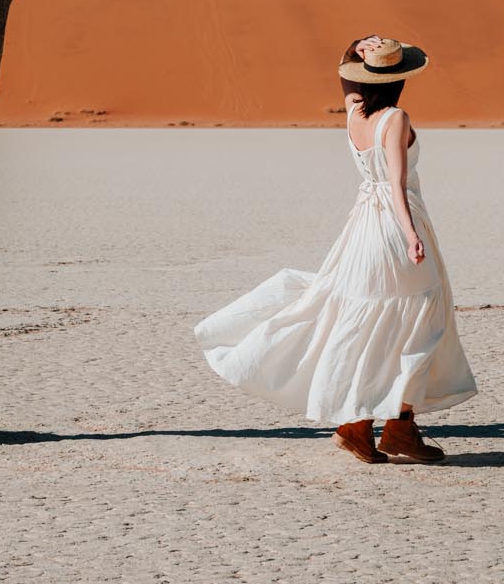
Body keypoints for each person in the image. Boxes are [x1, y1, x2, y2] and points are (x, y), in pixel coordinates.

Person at [193, 33, 477, 464]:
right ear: (400, 80)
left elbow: (344, 80)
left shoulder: (354, 111)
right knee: (418, 322)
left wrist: (355, 46)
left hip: (363, 226)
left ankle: (377, 428)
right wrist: (411, 234)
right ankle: (379, 427)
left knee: (370, 320)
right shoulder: (395, 118)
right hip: (394, 224)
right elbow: (395, 185)